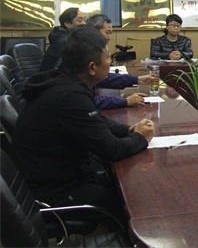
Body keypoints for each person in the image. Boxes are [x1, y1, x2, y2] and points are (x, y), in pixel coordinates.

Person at [12, 26, 155, 214]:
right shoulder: (69, 97)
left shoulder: (65, 81)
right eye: (108, 57)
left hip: (59, 174)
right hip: (54, 192)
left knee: (120, 182)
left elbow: (95, 119)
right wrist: (141, 138)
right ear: (92, 67)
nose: (111, 62)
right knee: (135, 199)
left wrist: (127, 130)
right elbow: (112, 149)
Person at [86, 14, 153, 110]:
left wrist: (137, 79)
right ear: (94, 32)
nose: (109, 37)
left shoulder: (92, 50)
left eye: (111, 33)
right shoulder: (84, 54)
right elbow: (88, 101)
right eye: (107, 33)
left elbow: (105, 78)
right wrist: (125, 101)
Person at [40, 7, 86, 71]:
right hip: (52, 76)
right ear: (68, 24)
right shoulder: (66, 41)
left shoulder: (70, 37)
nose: (84, 23)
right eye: (80, 20)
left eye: (85, 20)